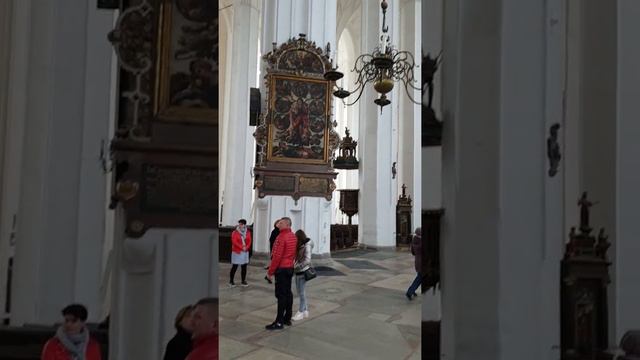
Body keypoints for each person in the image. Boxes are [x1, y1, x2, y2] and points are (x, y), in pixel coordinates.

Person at [265, 217, 297, 330]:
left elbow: (277, 257)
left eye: (281, 223)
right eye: (279, 222)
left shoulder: (281, 237)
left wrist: (270, 272)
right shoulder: (293, 236)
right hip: (289, 268)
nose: (279, 224)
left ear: (287, 224)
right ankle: (287, 318)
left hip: (282, 269)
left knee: (281, 295)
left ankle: (279, 322)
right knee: (288, 293)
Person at [292, 229, 313, 321]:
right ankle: (305, 310)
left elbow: (307, 260)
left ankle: (300, 312)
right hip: (298, 271)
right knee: (301, 292)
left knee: (301, 293)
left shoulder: (306, 245)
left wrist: (297, 267)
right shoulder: (301, 245)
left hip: (303, 271)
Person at [230, 219, 251, 287]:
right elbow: (234, 241)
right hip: (237, 251)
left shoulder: (248, 232)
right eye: (239, 224)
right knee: (235, 266)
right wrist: (242, 247)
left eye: (241, 224)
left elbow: (249, 241)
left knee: (244, 267)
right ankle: (231, 281)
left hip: (245, 251)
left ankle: (243, 281)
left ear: (245, 225)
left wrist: (246, 247)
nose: (240, 225)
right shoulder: (235, 232)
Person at [406, 227, 422, 300]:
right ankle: (410, 292)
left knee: (420, 277)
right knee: (419, 278)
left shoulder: (414, 241)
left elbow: (413, 252)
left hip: (417, 261)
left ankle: (412, 290)